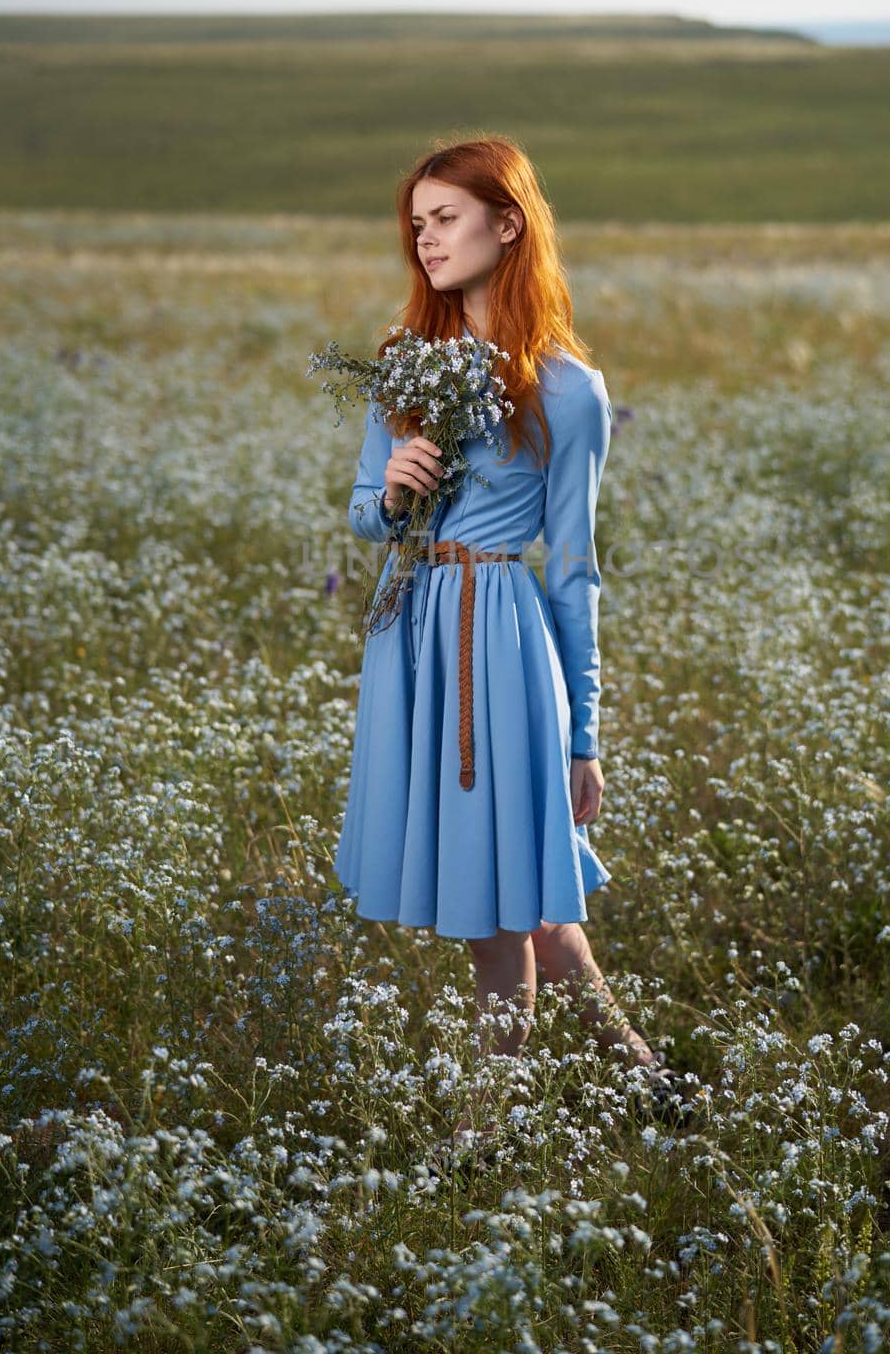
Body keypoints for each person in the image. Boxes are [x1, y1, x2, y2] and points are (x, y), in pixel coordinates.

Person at [333, 135, 693, 1160]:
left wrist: (585, 733)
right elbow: (367, 517)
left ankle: (484, 1134)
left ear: (507, 223)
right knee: (529, 898)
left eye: (444, 217)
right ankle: (641, 1072)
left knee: (501, 905)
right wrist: (392, 483)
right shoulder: (402, 362)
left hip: (500, 647)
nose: (425, 237)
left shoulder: (569, 391)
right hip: (412, 637)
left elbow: (574, 567)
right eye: (416, 222)